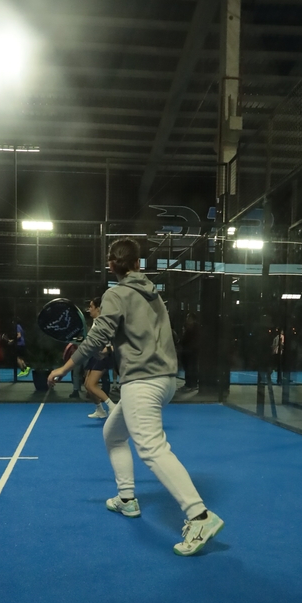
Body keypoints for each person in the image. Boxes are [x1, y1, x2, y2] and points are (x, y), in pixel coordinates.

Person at [48, 237, 224, 556]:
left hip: (142, 382)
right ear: (138, 263)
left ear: (110, 265)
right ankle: (127, 498)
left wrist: (65, 366)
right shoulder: (153, 294)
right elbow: (138, 336)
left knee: (152, 449)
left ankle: (200, 516)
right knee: (113, 434)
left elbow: (97, 337)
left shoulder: (115, 294)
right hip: (165, 380)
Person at [83, 295, 113, 419]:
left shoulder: (104, 322)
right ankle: (100, 410)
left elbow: (112, 340)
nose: (89, 309)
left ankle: (113, 406)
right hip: (94, 355)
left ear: (98, 309)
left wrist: (107, 349)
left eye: (91, 307)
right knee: (87, 385)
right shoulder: (95, 323)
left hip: (103, 356)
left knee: (91, 385)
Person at [179, 312, 199, 394]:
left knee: (191, 368)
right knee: (188, 368)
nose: (187, 319)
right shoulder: (188, 328)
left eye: (188, 318)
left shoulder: (193, 328)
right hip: (188, 351)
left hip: (191, 351)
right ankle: (189, 384)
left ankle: (192, 384)